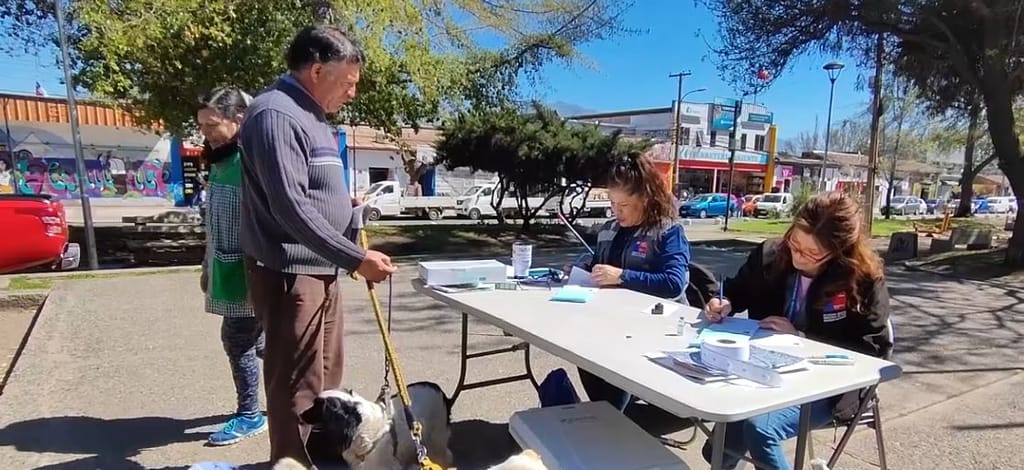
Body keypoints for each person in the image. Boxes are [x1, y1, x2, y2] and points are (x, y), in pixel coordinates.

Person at [238, 25, 396, 467]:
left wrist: (342, 205)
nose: (351, 93)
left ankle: (322, 458)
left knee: (326, 377)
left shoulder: (311, 116)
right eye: (347, 83)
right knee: (297, 384)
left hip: (319, 268)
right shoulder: (276, 114)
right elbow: (288, 206)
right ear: (317, 69)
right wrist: (356, 258)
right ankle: (291, 462)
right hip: (291, 272)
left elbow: (307, 191)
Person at [701, 191, 893, 470]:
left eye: (811, 253)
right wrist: (724, 301)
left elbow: (870, 352)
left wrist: (802, 339)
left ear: (839, 251)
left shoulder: (862, 281)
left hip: (830, 386)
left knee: (760, 428)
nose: (798, 256)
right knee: (720, 447)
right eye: (794, 243)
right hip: (762, 372)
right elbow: (737, 289)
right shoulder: (771, 254)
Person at [572, 154, 691, 410]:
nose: (616, 212)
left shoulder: (668, 231)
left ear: (646, 198)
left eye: (624, 205)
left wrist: (623, 276)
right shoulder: (609, 229)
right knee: (580, 348)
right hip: (609, 321)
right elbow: (598, 264)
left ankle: (612, 420)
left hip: (655, 327)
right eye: (613, 204)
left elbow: (673, 283)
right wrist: (581, 269)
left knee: (616, 361)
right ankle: (607, 414)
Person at [196, 87, 267, 446]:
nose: (205, 133)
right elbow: (216, 218)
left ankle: (251, 415)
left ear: (238, 119)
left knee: (237, 339)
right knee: (258, 341)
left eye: (211, 124)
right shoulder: (221, 157)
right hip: (226, 264)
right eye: (202, 126)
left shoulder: (251, 158)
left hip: (250, 269)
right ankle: (289, 401)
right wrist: (207, 263)